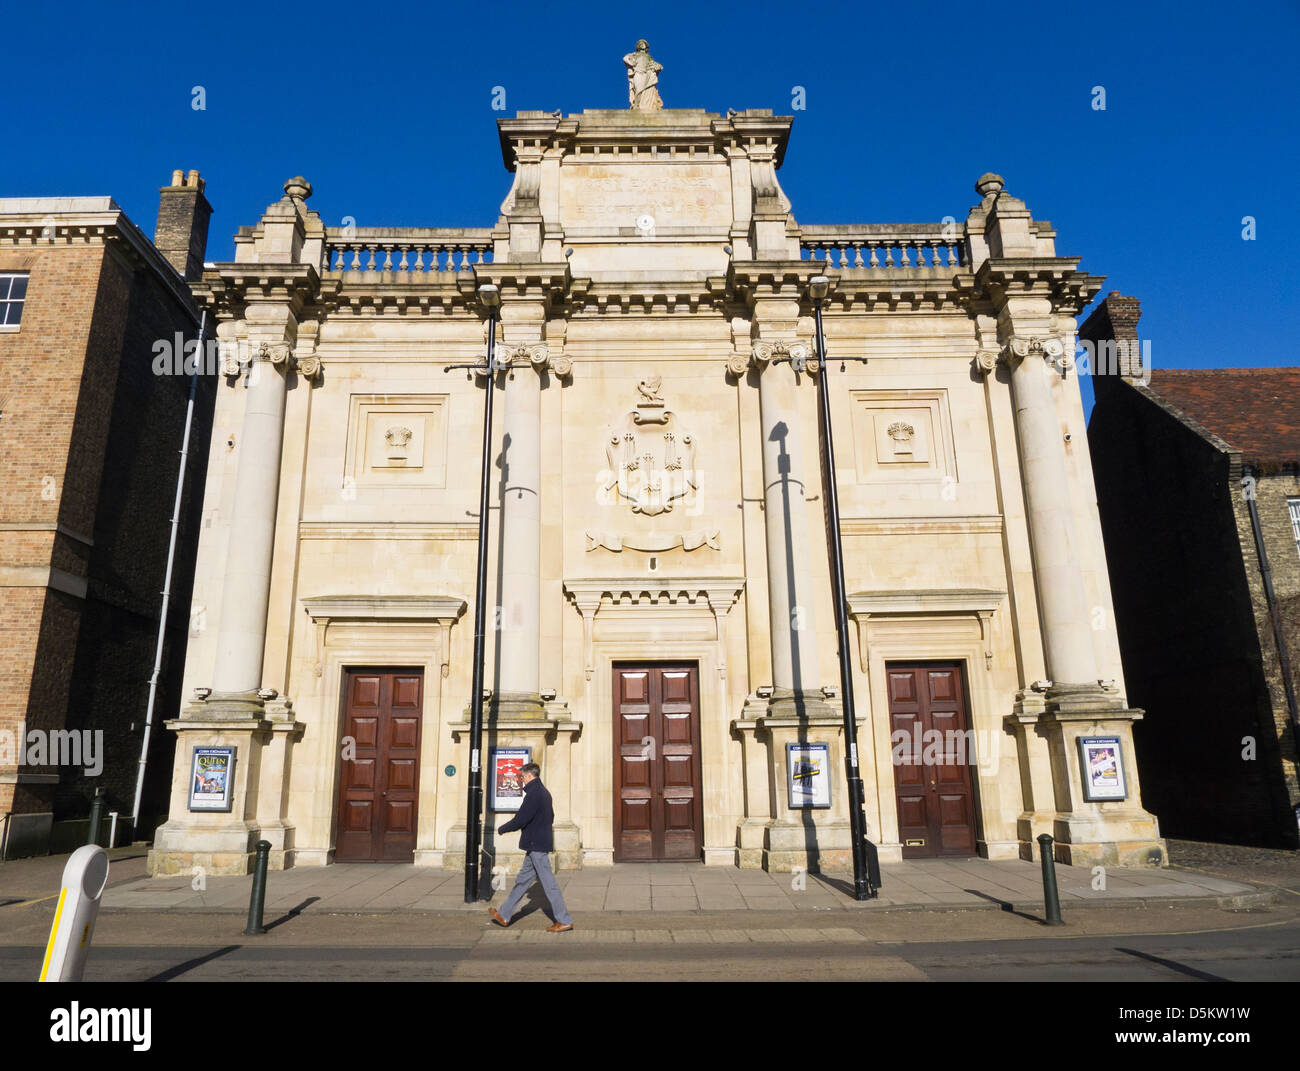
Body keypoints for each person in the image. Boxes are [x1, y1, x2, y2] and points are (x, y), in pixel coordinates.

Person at [489, 763, 574, 932]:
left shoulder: (534, 794)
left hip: (536, 845)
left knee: (549, 885)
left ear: (528, 776)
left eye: (522, 777)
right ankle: (504, 914)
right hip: (535, 844)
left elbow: (521, 819)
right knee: (522, 882)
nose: (521, 780)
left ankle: (564, 920)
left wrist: (502, 829)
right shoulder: (543, 792)